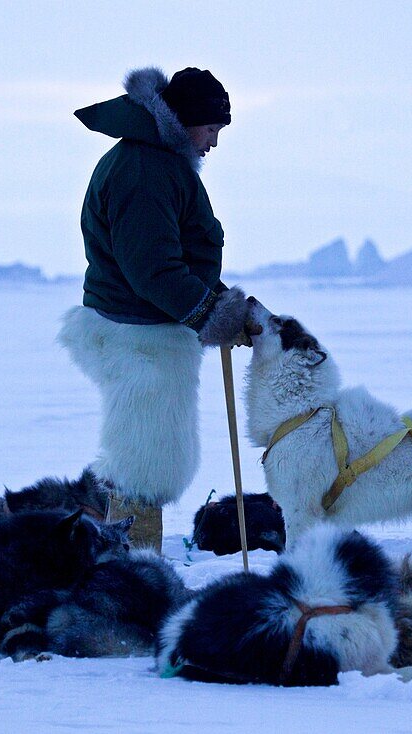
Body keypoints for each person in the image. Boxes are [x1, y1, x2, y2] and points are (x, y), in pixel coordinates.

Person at [58, 66, 250, 551]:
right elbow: (153, 269)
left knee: (146, 456)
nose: (214, 142)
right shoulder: (144, 171)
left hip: (149, 331)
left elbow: (178, 254)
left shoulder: (159, 163)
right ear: (187, 122)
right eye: (212, 129)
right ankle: (136, 571)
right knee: (143, 464)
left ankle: (136, 567)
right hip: (139, 337)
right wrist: (212, 315)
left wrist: (218, 302)